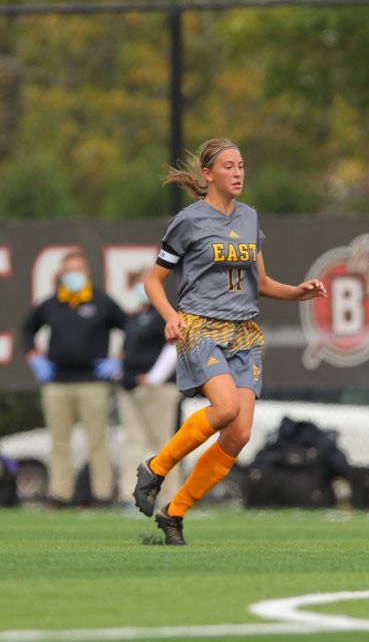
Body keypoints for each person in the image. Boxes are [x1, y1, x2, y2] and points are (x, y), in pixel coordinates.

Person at [133, 137, 327, 545]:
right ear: (208, 174)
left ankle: (174, 512)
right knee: (225, 408)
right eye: (229, 166)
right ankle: (156, 467)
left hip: (244, 333)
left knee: (238, 436)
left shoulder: (250, 219)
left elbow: (263, 283)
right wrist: (171, 317)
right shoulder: (189, 221)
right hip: (200, 326)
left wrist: (297, 292)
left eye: (241, 166)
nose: (238, 173)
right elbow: (153, 281)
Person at [22, 250, 127, 507]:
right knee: (59, 443)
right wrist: (34, 357)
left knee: (97, 441)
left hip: (93, 382)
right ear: (60, 275)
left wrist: (119, 359)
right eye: (68, 271)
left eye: (78, 270)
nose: (73, 276)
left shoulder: (101, 302)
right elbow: (27, 329)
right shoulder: (51, 304)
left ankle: (102, 495)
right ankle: (60, 495)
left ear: (87, 272)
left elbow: (129, 328)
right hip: (57, 382)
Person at [117, 270, 181, 510]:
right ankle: (130, 498)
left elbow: (174, 347)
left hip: (158, 391)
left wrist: (154, 377)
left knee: (165, 444)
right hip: (131, 389)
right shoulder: (134, 318)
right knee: (133, 442)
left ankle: (172, 498)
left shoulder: (164, 314)